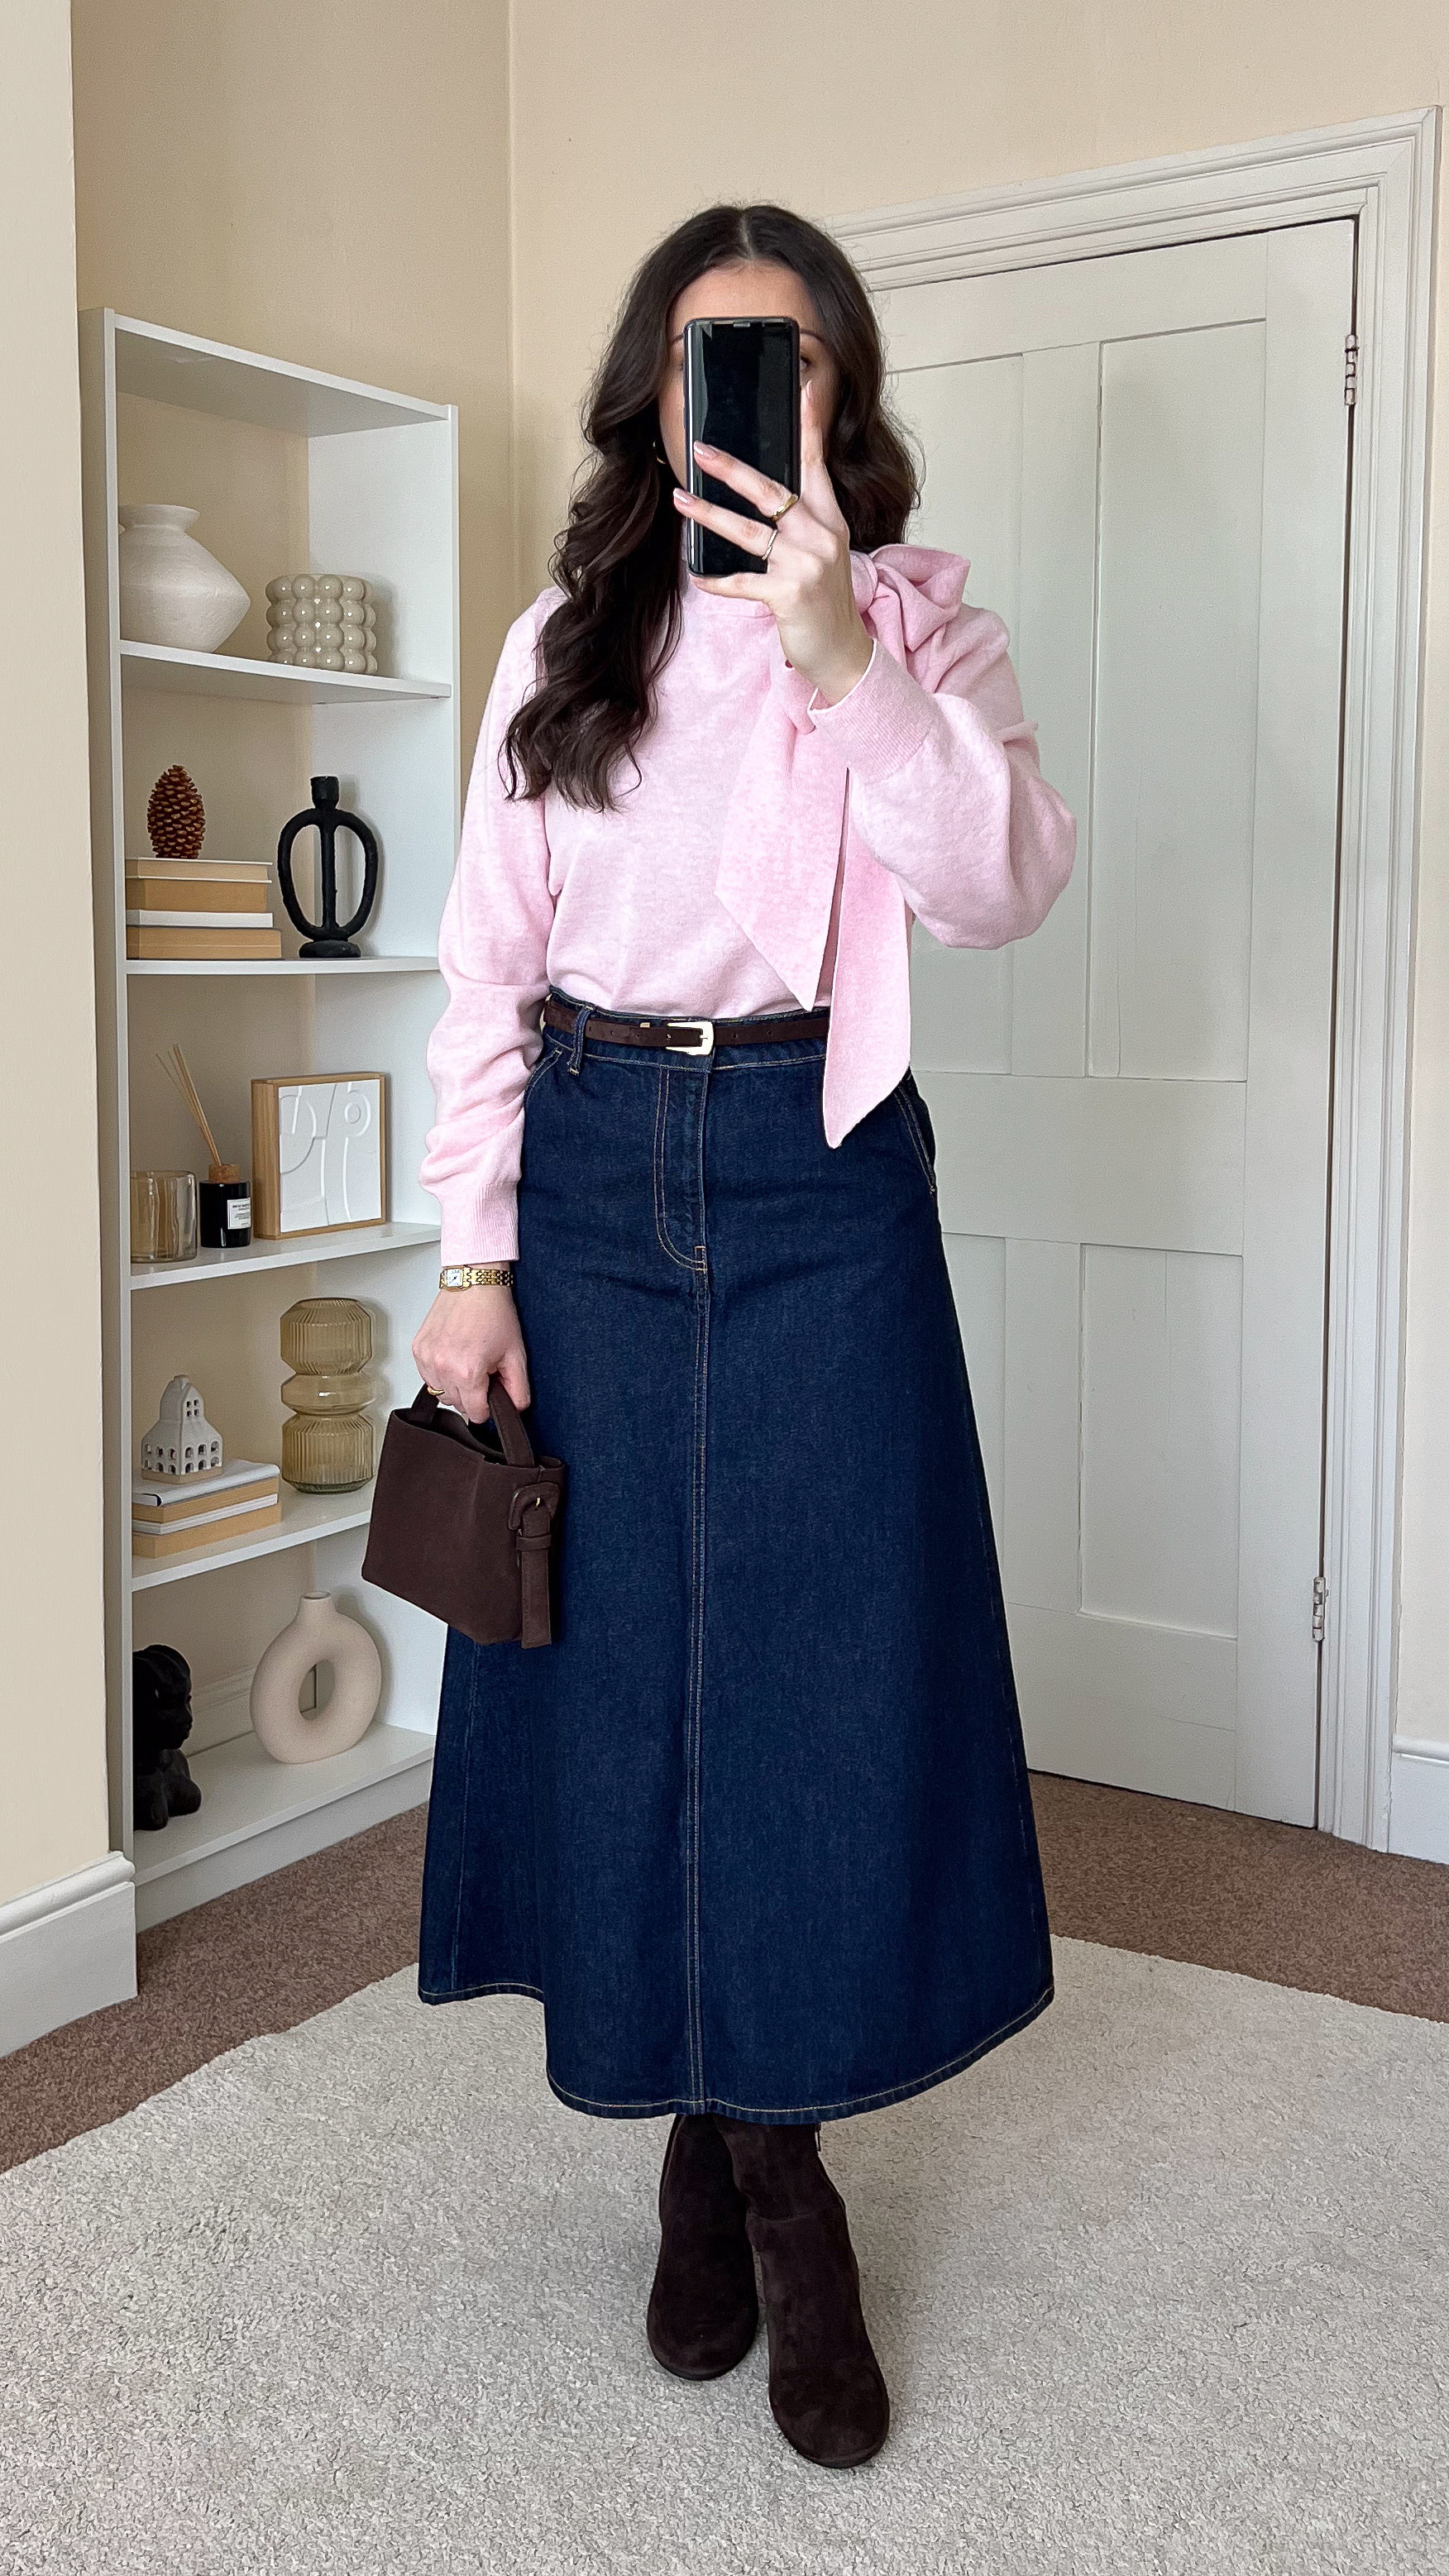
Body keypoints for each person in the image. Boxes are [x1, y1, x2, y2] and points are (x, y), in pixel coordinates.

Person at [411, 201, 1076, 2471]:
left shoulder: (910, 625)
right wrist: (470, 1255)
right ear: (647, 389)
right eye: (704, 358)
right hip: (590, 1178)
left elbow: (1006, 880)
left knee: (820, 1675)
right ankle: (733, 2149)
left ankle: (762, 2175)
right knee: (629, 1683)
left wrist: (836, 655)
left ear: (836, 401)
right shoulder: (556, 643)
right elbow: (482, 972)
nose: (741, 399)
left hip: (820, 1172)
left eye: (779, 362)